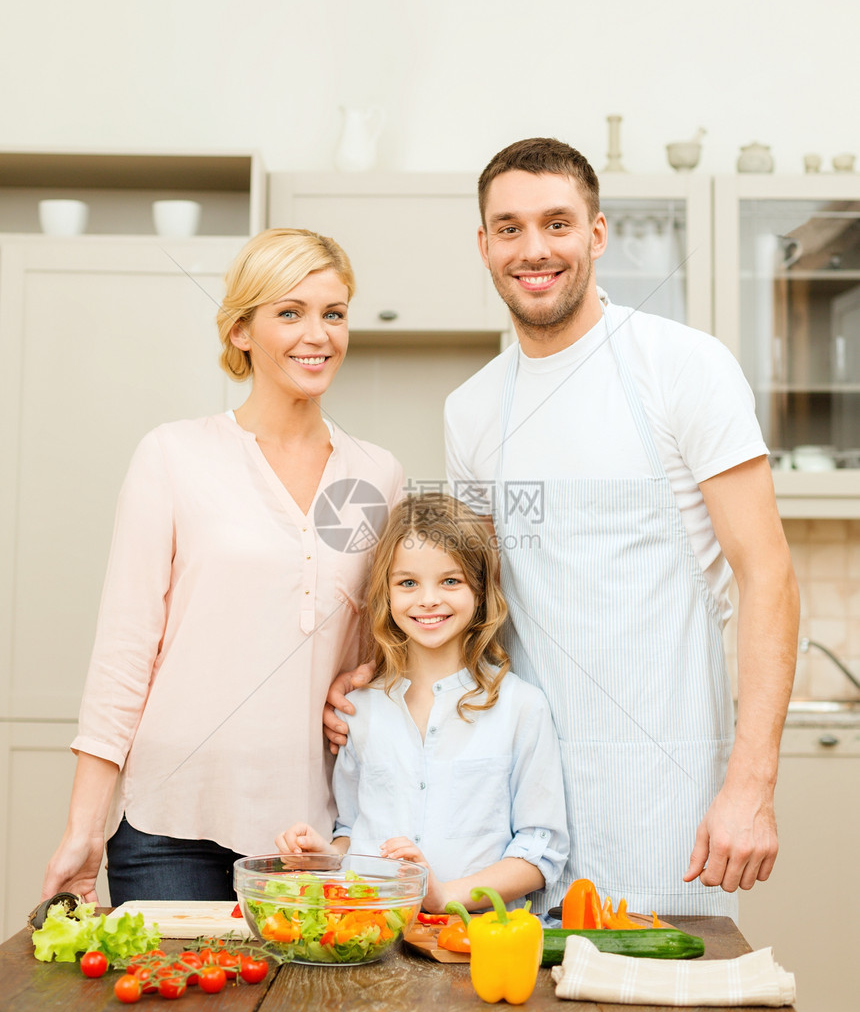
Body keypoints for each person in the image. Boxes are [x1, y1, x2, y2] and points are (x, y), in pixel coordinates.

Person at [326, 138, 799, 921]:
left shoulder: (682, 367)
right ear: (483, 246)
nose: (534, 248)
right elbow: (470, 594)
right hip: (507, 805)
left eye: (557, 223)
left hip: (663, 793)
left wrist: (749, 784)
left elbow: (768, 576)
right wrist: (380, 673)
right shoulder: (473, 409)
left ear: (598, 233)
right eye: (508, 228)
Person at [41, 228, 403, 905]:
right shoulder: (173, 455)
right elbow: (125, 651)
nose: (317, 334)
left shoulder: (378, 474)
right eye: (289, 313)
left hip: (310, 835)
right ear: (241, 330)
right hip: (168, 824)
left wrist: (366, 677)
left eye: (333, 313)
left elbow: (389, 638)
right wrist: (85, 827)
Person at [277, 492, 568, 912]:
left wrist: (442, 896)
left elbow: (541, 851)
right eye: (408, 582)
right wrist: (325, 856)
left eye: (450, 581)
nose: (428, 599)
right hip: (374, 932)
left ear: (481, 591)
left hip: (475, 941)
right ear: (387, 592)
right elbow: (354, 828)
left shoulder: (521, 707)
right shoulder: (358, 710)